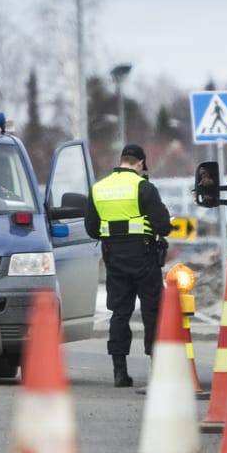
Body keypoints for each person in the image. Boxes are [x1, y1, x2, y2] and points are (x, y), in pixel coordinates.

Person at [85, 143, 172, 388]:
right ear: (141, 163)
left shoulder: (99, 189)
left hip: (114, 259)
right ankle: (157, 368)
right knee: (152, 311)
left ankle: (119, 372)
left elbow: (92, 228)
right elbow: (163, 225)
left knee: (120, 313)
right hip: (144, 257)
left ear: (122, 160)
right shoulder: (143, 188)